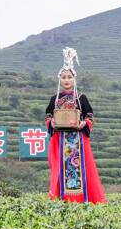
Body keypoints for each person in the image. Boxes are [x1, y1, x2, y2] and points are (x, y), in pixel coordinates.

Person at [44, 47, 106, 203]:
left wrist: (83, 124)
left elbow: (90, 116)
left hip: (78, 141)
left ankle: (81, 199)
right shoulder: (54, 99)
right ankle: (61, 199)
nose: (66, 80)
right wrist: (52, 122)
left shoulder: (81, 98)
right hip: (60, 141)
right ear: (59, 79)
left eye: (69, 77)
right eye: (64, 77)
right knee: (60, 171)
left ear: (74, 79)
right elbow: (48, 116)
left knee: (82, 170)